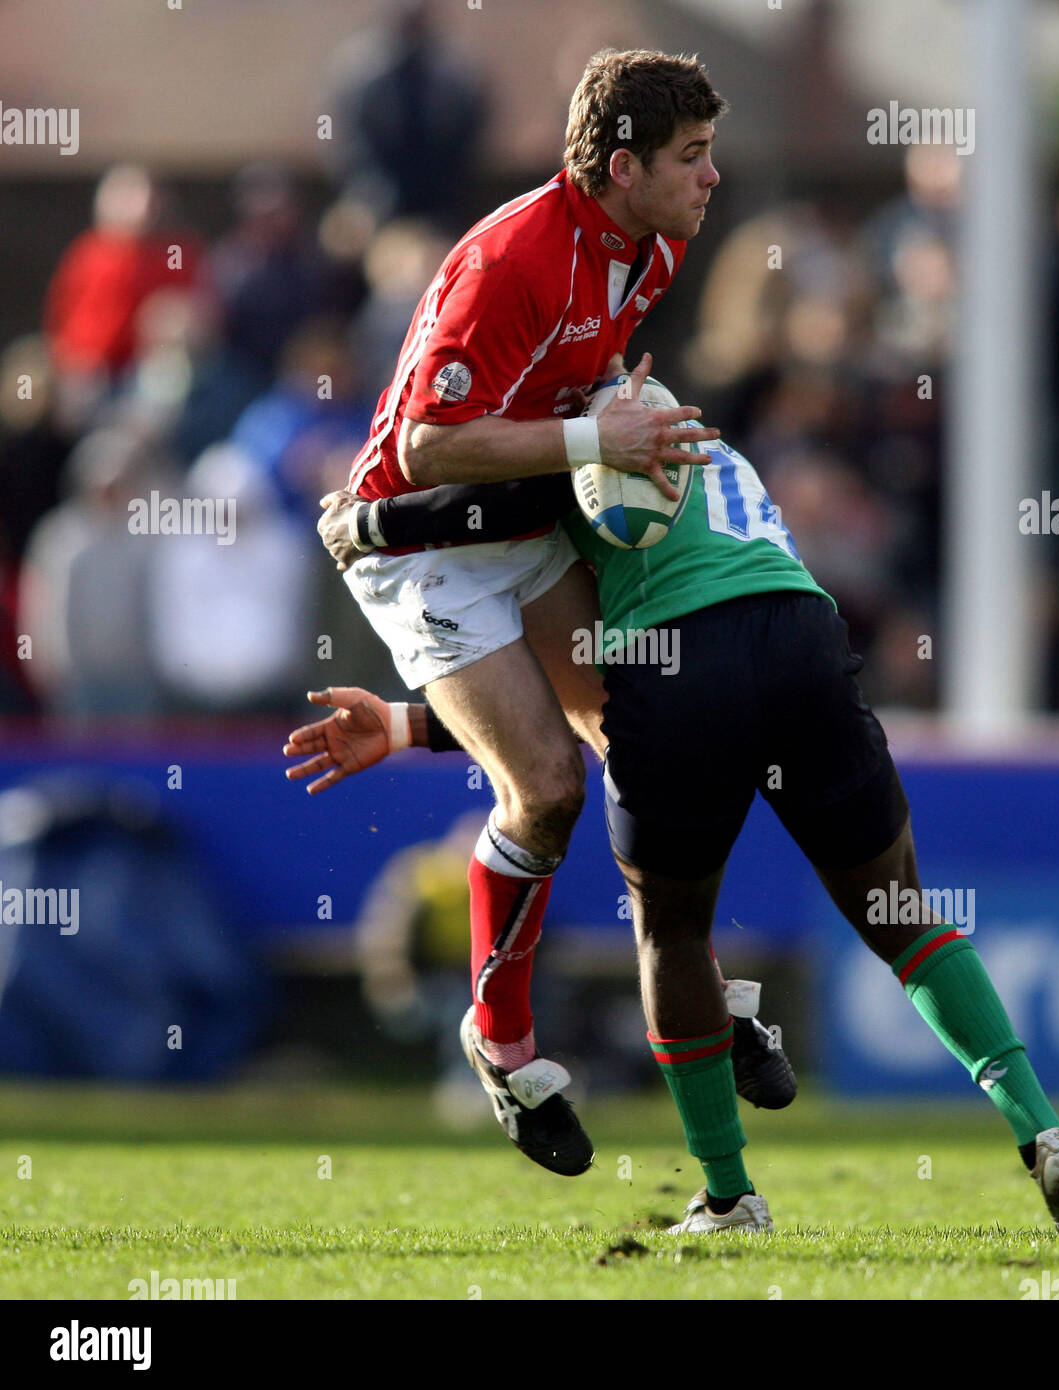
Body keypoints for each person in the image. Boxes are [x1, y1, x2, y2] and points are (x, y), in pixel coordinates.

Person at [290, 407, 1059, 1237]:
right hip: (802, 635)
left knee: (673, 938)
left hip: (677, 656)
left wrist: (366, 523)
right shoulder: (704, 433)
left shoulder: (590, 428)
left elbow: (507, 517)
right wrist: (406, 725)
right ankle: (1044, 1130)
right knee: (901, 918)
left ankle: (729, 1197)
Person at [321, 49, 728, 1180]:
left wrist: (615, 406)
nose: (711, 178)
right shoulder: (514, 257)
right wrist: (604, 437)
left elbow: (564, 404)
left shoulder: (650, 249)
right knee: (546, 788)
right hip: (419, 546)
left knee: (649, 742)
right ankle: (500, 1044)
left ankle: (694, 987)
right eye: (691, 157)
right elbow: (423, 448)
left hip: (521, 524)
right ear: (619, 165)